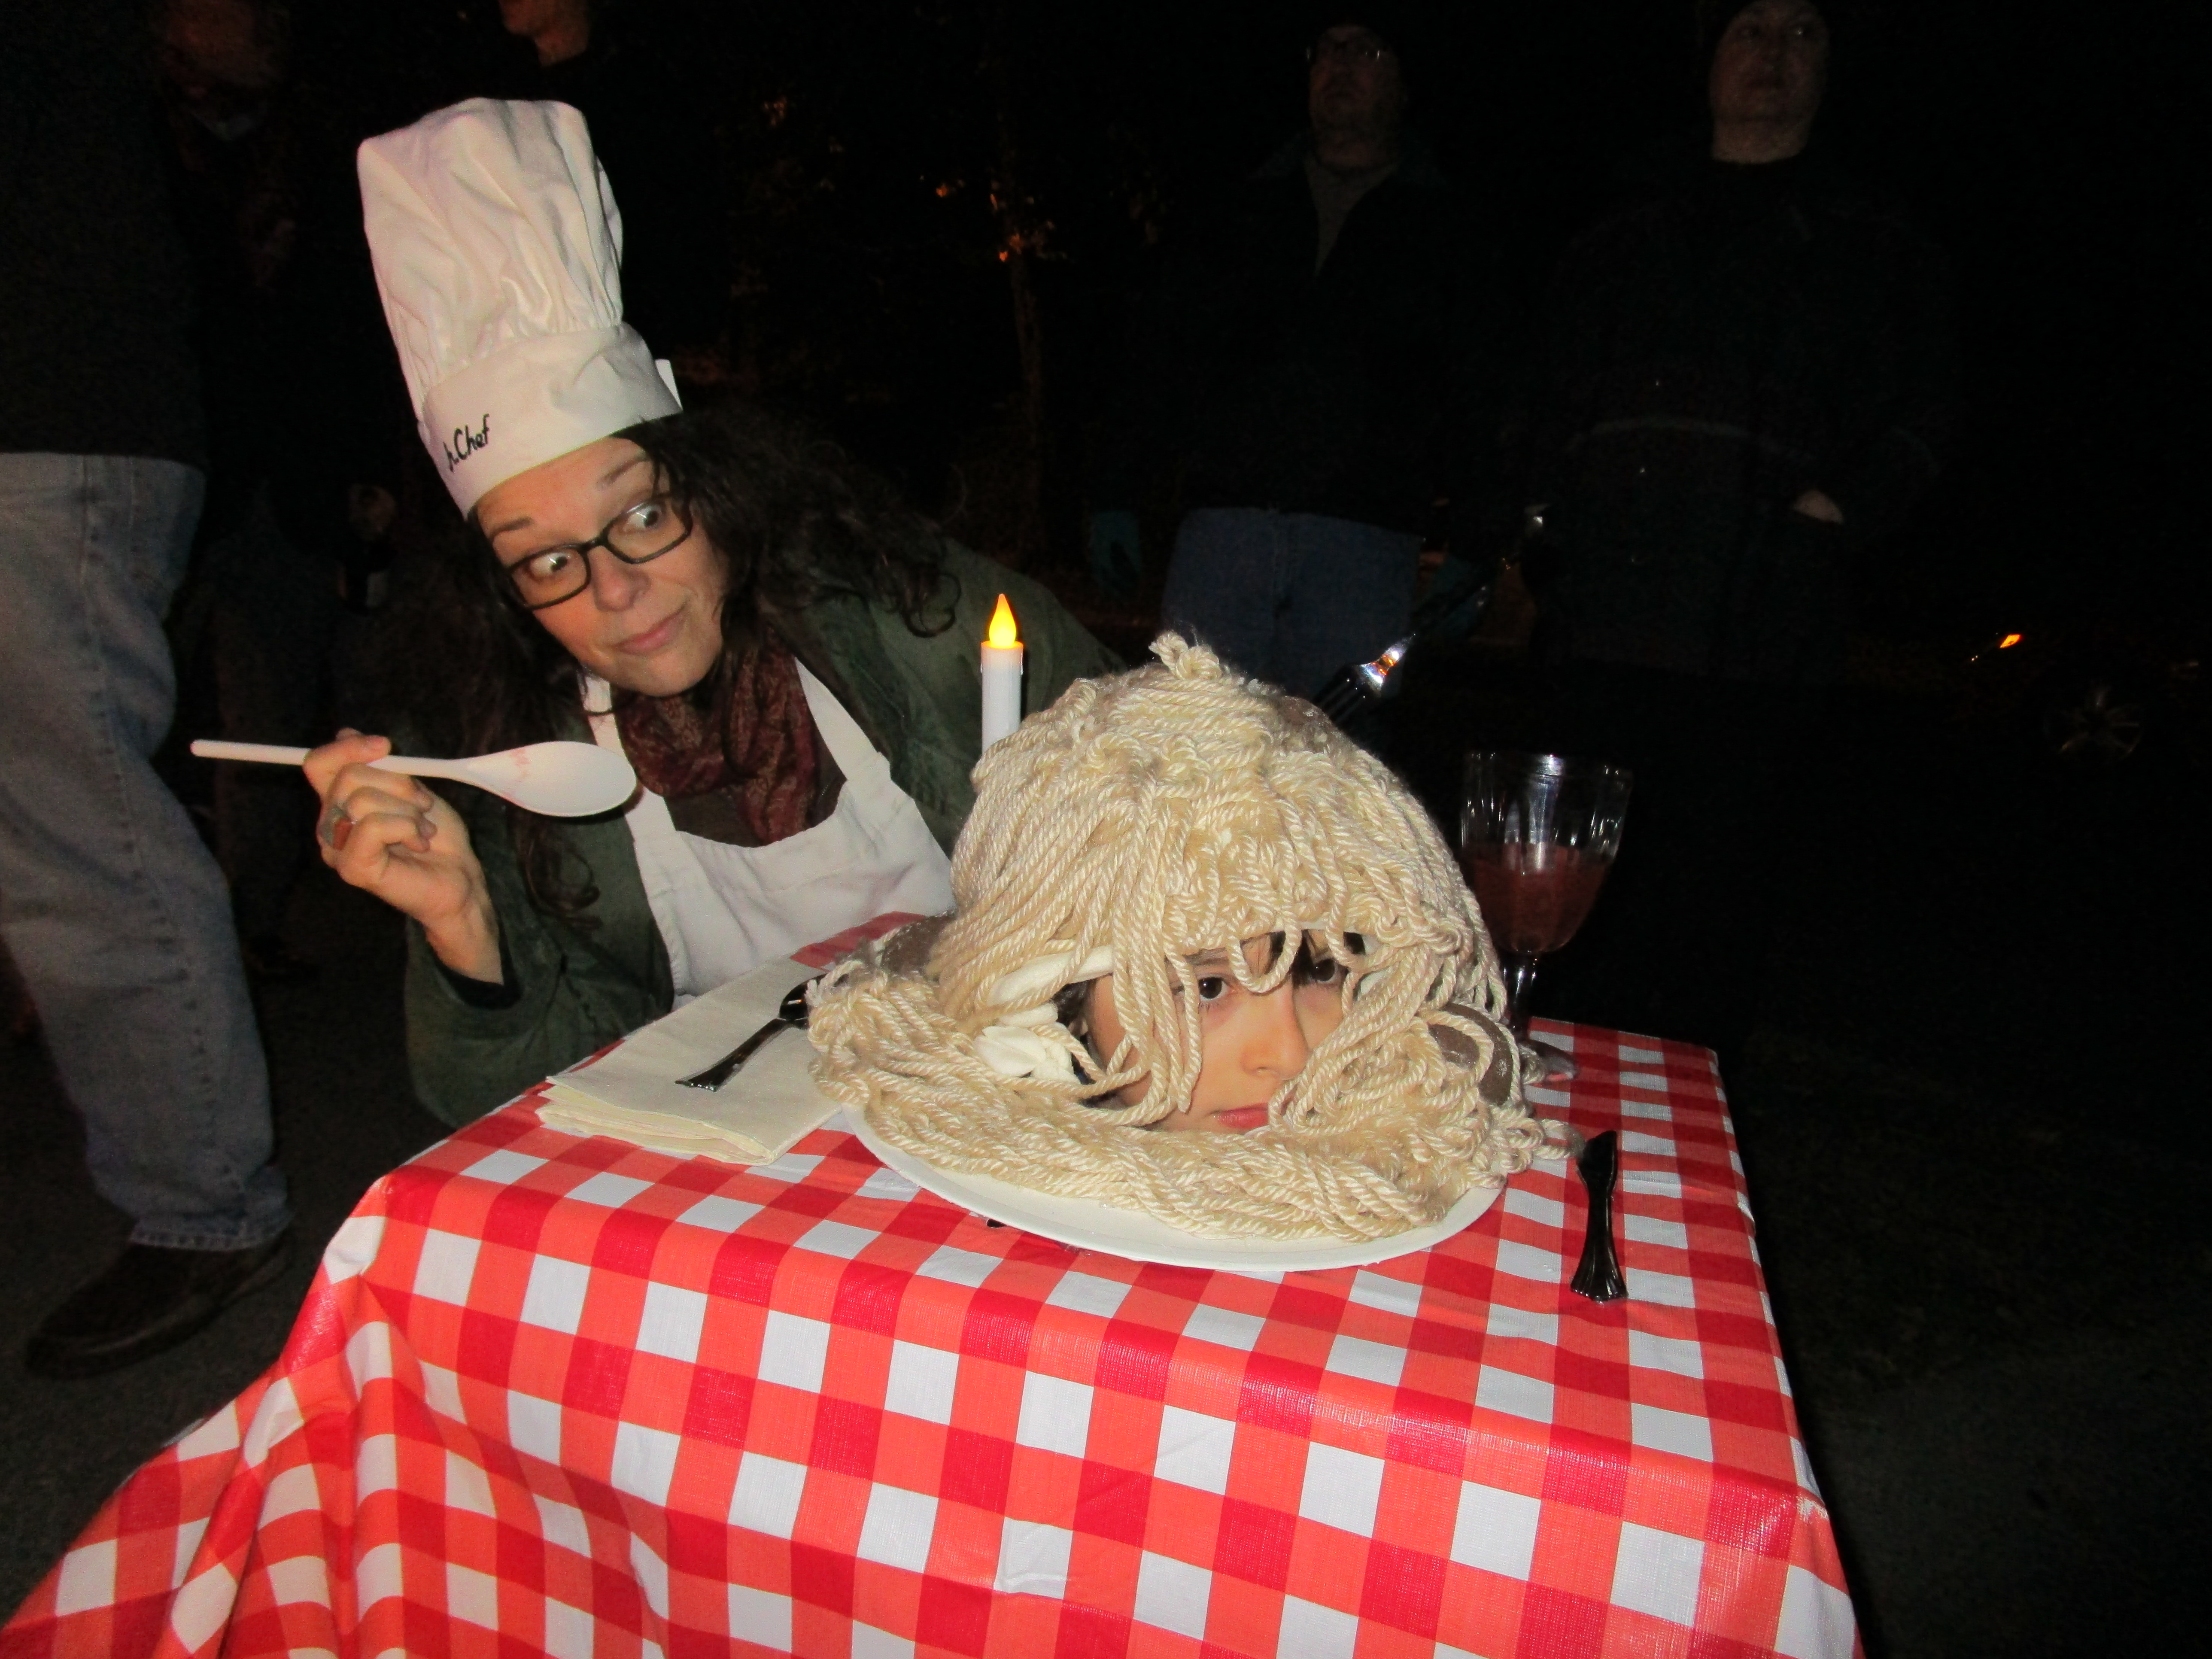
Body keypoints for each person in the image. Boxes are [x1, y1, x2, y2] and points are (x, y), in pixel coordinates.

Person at [307, 100, 1116, 1126]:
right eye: (547, 560)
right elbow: (520, 1107)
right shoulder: (512, 764)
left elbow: (1196, 832)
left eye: (642, 515)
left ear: (715, 491)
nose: (613, 590)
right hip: (744, 1168)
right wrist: (463, 929)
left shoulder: (930, 626)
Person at [1523, 0, 1957, 1059]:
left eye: (1800, 33)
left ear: (1830, 66)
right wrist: (1542, 520)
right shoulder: (1623, 222)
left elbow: (1929, 409)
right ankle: (1549, 1115)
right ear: (1708, 59)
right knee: (1566, 900)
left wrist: (1834, 514)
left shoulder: (1874, 238)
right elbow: (1537, 391)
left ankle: (1678, 1126)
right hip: (1601, 619)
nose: (1772, 54)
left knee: (1708, 910)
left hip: (1758, 627)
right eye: (1748, 31)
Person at [808, 636, 1552, 1242]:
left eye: (1321, 972)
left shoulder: (1396, 1159)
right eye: (1209, 986)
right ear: (1056, 1001)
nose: (1289, 1055)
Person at [0, 0, 292, 1379]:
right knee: (65, 822)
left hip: (51, 423)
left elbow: (241, 47)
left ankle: (201, 1204)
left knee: (76, 828)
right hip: (68, 417)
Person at [1088, 6, 1514, 699]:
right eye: (1327, 48)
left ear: (1404, 82)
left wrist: (1476, 543)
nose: (1340, 65)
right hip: (1222, 540)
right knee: (1192, 744)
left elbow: (1483, 396)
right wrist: (1116, 491)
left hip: (1363, 548)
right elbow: (1161, 354)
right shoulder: (1241, 210)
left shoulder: (1448, 230)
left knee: (1333, 754)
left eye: (1366, 49)